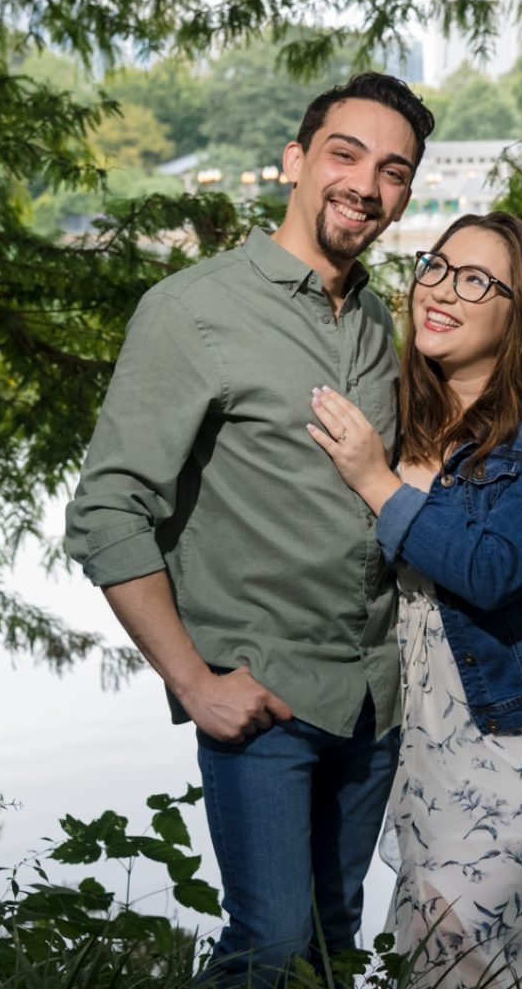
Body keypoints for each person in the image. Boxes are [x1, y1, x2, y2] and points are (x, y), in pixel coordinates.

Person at [63, 71, 436, 983]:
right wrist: (193, 681)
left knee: (330, 946)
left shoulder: (382, 326)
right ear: (295, 162)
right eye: (345, 154)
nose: (366, 184)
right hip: (262, 696)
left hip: (372, 701)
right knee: (268, 944)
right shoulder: (193, 310)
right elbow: (108, 510)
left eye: (393, 170)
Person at [307, 210, 522, 989]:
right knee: (435, 946)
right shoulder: (397, 409)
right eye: (436, 265)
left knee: (469, 939)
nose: (441, 289)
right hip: (427, 722)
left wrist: (374, 479)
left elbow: (491, 569)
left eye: (476, 279)